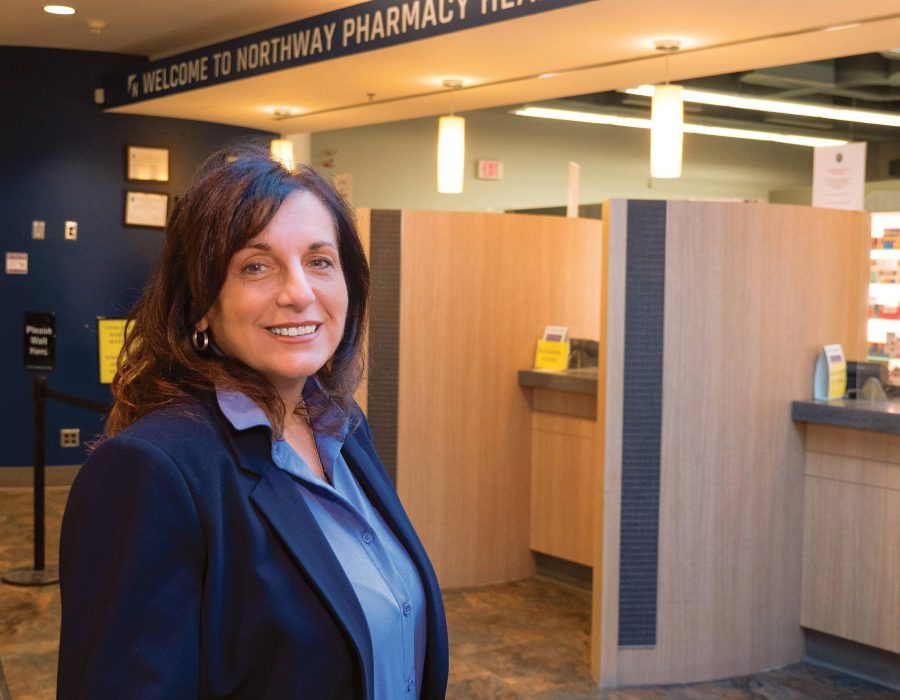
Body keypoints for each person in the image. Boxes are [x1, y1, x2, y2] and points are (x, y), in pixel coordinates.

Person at [57, 144, 449, 699]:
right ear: (202, 304)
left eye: (320, 261)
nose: (298, 293)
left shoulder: (342, 425)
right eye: (255, 266)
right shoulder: (152, 472)